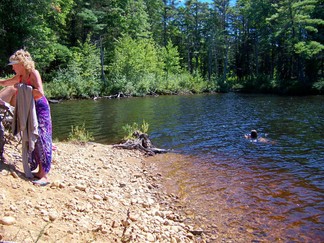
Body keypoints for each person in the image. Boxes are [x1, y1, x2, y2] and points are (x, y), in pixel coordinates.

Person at [0, 49, 52, 185]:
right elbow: (6, 83)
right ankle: (39, 171)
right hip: (31, 109)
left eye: (14, 64)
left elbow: (40, 93)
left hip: (40, 108)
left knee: (42, 139)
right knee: (33, 139)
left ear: (21, 64)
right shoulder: (21, 76)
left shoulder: (33, 73)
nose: (12, 67)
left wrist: (23, 87)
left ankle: (44, 176)